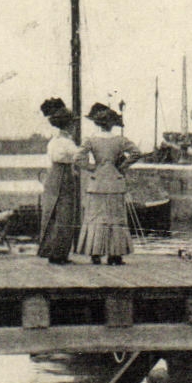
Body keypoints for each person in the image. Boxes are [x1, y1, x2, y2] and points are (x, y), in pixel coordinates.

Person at [76, 102, 141, 265]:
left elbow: (77, 158)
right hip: (115, 182)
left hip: (97, 182)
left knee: (96, 217)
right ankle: (115, 255)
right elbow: (136, 153)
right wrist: (121, 167)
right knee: (116, 217)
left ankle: (95, 253)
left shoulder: (90, 140)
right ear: (112, 124)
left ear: (97, 124)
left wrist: (92, 168)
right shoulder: (120, 140)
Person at [37, 98, 84, 264]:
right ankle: (60, 253)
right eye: (73, 123)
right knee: (65, 214)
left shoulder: (54, 141)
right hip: (64, 177)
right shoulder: (66, 142)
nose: (75, 126)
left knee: (53, 213)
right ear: (68, 125)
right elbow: (79, 157)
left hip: (53, 175)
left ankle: (52, 250)